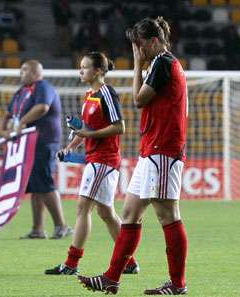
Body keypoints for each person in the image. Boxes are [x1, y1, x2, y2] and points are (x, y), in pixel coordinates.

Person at [78, 17, 189, 295]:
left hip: (163, 149)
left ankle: (177, 284)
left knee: (168, 215)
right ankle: (112, 277)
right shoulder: (160, 63)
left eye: (139, 46)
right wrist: (140, 63)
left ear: (153, 41)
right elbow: (140, 97)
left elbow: (138, 99)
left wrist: (138, 64)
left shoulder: (163, 62)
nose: (138, 51)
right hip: (151, 150)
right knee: (129, 213)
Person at [44, 52, 140, 276]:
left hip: (104, 161)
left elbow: (120, 127)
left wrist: (89, 134)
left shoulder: (107, 93)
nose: (81, 71)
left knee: (83, 208)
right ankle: (129, 262)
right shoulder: (90, 95)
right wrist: (71, 147)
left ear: (97, 71)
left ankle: (71, 264)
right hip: (96, 160)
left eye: (85, 67)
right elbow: (86, 129)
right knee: (106, 213)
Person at [0, 60, 73, 239]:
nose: (21, 73)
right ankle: (38, 229)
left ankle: (62, 226)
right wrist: (4, 130)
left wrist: (22, 122)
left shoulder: (43, 87)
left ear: (35, 72)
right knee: (36, 186)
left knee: (45, 182)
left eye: (24, 70)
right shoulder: (21, 92)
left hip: (44, 141)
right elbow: (8, 114)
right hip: (28, 143)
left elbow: (42, 108)